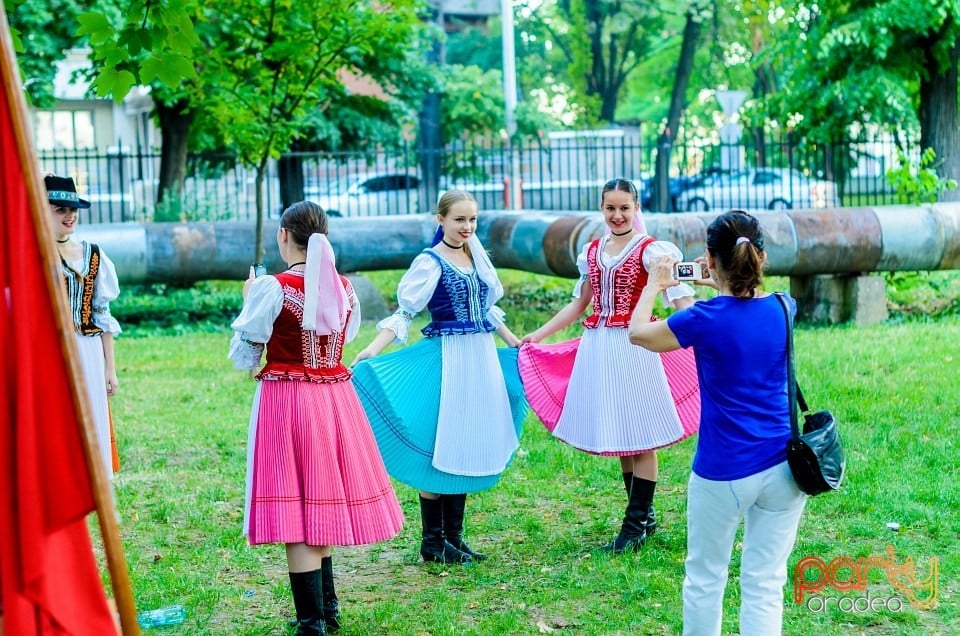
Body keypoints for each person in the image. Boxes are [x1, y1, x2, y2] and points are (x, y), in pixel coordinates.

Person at [627, 210, 807, 635]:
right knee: (766, 582)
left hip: (723, 471)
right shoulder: (785, 308)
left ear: (709, 259)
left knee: (706, 579)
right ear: (760, 257)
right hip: (784, 468)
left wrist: (655, 282)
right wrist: (723, 279)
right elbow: (745, 301)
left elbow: (638, 333)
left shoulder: (702, 321)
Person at [229, 201, 403, 635]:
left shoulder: (273, 287)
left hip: (288, 401)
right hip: (334, 399)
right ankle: (327, 611)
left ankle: (312, 625)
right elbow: (344, 334)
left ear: (283, 235)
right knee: (318, 498)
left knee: (297, 511)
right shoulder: (344, 288)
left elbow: (244, 355)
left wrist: (249, 300)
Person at [518, 177, 700, 553]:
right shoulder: (592, 251)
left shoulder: (653, 251)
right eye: (610, 208)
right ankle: (642, 518)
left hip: (636, 345)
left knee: (641, 434)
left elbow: (680, 301)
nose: (617, 215)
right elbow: (580, 303)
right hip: (599, 346)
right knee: (621, 431)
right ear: (602, 209)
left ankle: (635, 526)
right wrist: (538, 333)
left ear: (637, 209)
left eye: (625, 208)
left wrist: (709, 331)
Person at [351, 189, 527, 564]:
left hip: (480, 359)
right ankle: (432, 542)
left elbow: (488, 311)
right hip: (450, 359)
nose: (467, 226)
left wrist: (514, 343)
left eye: (473, 219)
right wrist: (373, 349)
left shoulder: (476, 256)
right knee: (440, 440)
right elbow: (405, 312)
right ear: (441, 220)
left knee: (465, 440)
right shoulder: (431, 262)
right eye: (460, 219)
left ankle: (453, 538)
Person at [47, 174, 121, 479]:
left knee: (90, 412)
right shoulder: (34, 255)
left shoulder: (93, 254)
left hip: (88, 349)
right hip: (49, 349)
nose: (70, 215)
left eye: (73, 209)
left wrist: (110, 368)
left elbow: (102, 314)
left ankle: (89, 479)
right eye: (60, 209)